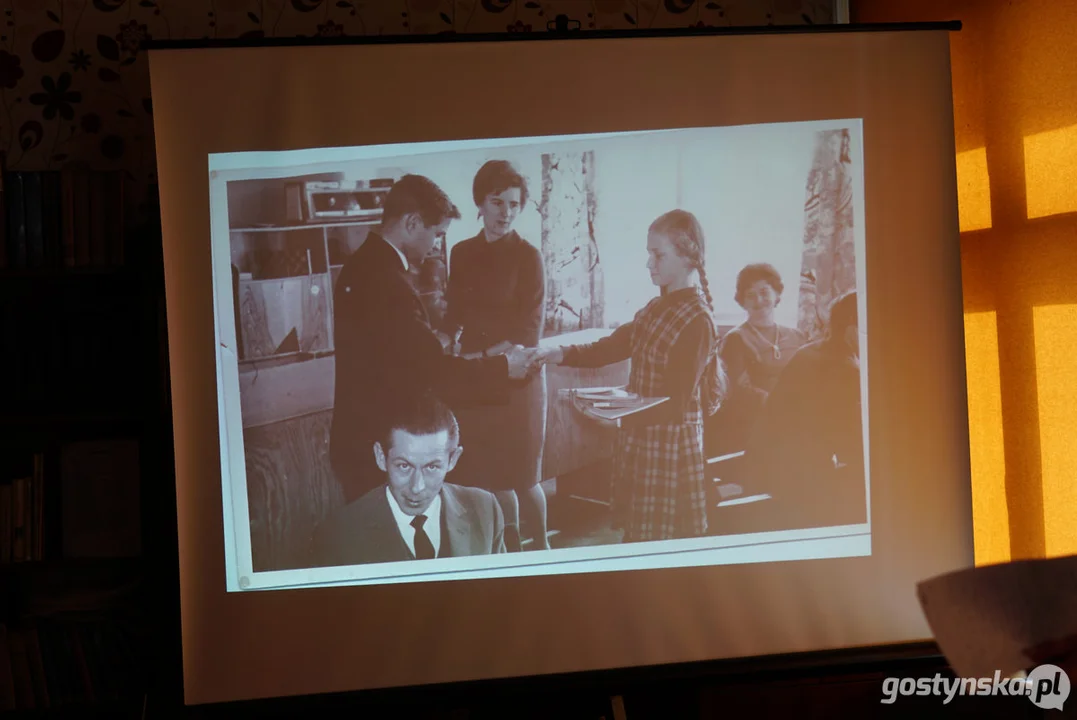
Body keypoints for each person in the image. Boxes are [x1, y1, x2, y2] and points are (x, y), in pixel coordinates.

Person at [329, 174, 537, 504]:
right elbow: (431, 373)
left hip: (364, 440)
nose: (436, 246)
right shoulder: (389, 282)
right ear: (412, 222)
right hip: (379, 447)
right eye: (436, 234)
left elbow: (402, 356)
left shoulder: (364, 265)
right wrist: (501, 368)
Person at [532, 209, 725, 543]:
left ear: (687, 255)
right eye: (649, 254)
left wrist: (619, 419)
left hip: (669, 447)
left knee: (662, 541)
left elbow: (675, 405)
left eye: (658, 255)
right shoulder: (655, 308)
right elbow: (610, 347)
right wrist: (557, 354)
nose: (649, 264)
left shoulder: (697, 320)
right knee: (639, 533)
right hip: (643, 439)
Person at [444, 160, 549, 552]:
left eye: (514, 204)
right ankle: (510, 555)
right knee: (489, 478)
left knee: (522, 478)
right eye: (497, 202)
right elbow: (454, 314)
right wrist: (440, 340)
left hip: (518, 379)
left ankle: (542, 549)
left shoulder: (528, 257)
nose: (506, 212)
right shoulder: (462, 252)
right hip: (476, 379)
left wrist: (482, 356)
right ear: (480, 202)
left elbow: (528, 332)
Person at [312, 393, 506, 567]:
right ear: (381, 457)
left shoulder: (485, 510)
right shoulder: (339, 536)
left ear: (453, 460)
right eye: (404, 466)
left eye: (432, 467)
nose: (417, 487)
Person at [745, 290, 865, 531]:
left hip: (767, 467)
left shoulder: (812, 351)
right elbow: (850, 447)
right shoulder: (844, 368)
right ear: (852, 329)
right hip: (796, 483)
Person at [711, 263, 806, 454]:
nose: (759, 300)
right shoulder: (735, 340)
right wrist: (781, 408)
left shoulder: (797, 336)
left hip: (796, 420)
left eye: (764, 292)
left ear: (777, 295)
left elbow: (807, 380)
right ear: (742, 301)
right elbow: (739, 391)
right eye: (750, 295)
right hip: (754, 427)